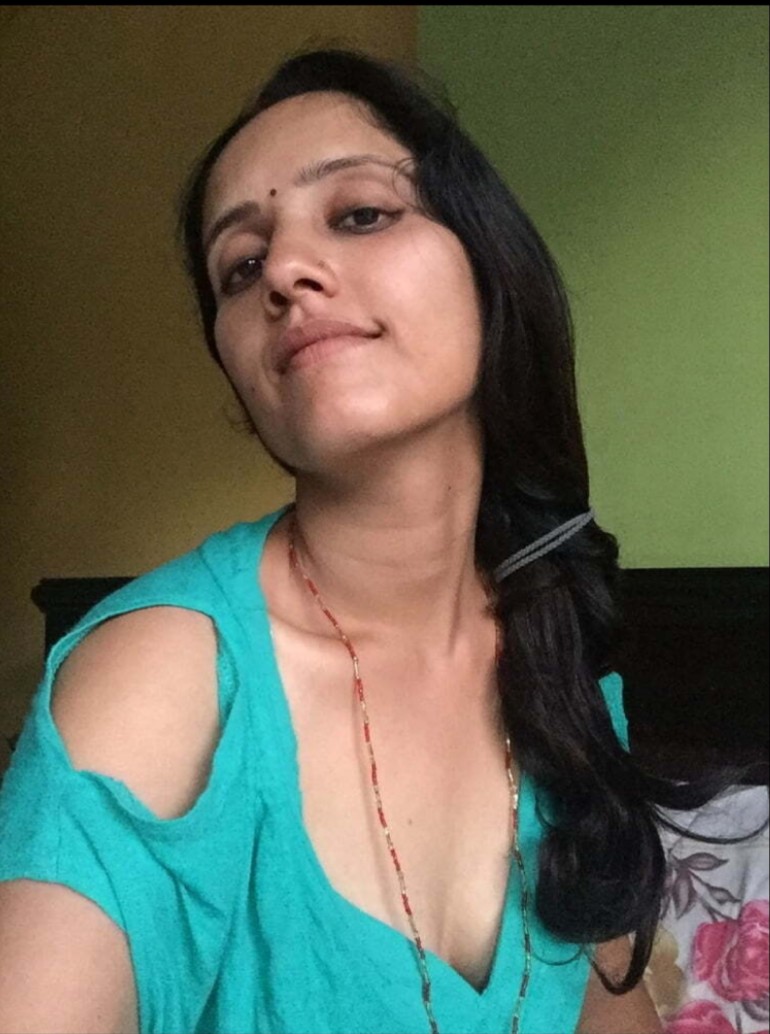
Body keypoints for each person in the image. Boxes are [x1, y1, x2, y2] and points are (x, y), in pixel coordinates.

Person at [2, 46, 732, 1034]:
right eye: (240, 266)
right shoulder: (164, 681)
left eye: (358, 214)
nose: (284, 273)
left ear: (488, 267)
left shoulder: (560, 654)